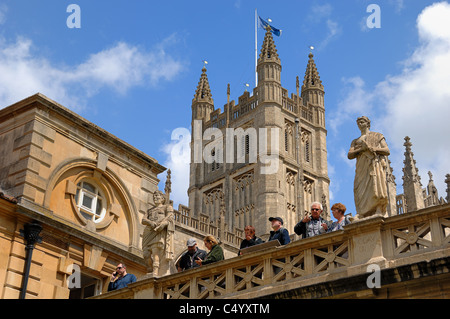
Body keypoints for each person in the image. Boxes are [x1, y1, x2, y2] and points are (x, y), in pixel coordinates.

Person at [348, 116, 390, 218]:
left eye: (362, 122)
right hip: (361, 167)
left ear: (367, 123)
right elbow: (350, 155)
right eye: (358, 123)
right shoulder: (355, 141)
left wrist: (373, 149)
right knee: (359, 188)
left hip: (373, 164)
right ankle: (362, 212)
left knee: (375, 185)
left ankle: (378, 209)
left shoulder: (377, 136)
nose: (360, 124)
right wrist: (361, 150)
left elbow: (386, 150)